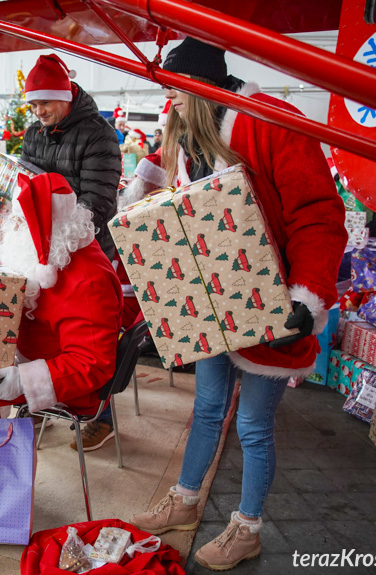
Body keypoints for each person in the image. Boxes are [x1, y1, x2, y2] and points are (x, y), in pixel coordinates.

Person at [125, 38, 347, 571]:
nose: (168, 99)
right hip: (213, 301)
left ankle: (247, 528)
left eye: (175, 88)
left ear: (199, 87)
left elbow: (317, 213)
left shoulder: (270, 123)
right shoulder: (185, 131)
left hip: (271, 305)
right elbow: (169, 187)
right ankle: (185, 499)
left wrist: (306, 299)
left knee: (251, 426)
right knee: (204, 408)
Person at [0, 172, 123, 447]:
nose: (11, 227)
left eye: (20, 221)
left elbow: (92, 364)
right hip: (30, 356)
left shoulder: (88, 280)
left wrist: (18, 381)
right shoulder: (54, 256)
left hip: (66, 381)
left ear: (45, 227)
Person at [21, 54, 121, 259]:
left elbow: (97, 200)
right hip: (43, 245)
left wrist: (59, 238)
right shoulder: (33, 133)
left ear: (64, 97)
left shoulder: (98, 133)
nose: (39, 111)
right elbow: (24, 182)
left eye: (45, 102)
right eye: (33, 105)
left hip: (87, 246)